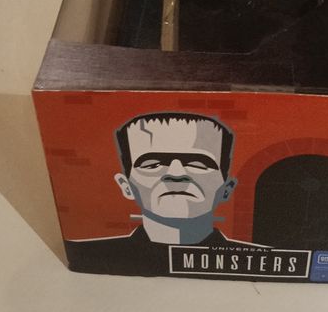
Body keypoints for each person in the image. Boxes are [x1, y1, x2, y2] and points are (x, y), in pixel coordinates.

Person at [65, 112, 266, 276]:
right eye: (152, 164)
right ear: (126, 186)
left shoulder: (259, 260)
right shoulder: (90, 256)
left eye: (198, 164)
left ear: (227, 189)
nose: (176, 174)